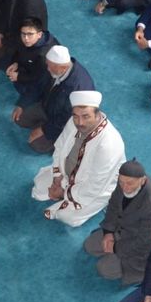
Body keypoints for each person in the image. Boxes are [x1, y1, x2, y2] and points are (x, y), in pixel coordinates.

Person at [31, 91, 126, 227]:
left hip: (96, 187)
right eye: (76, 116)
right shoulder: (73, 121)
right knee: (39, 188)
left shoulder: (109, 144)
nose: (80, 122)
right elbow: (59, 147)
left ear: (98, 114)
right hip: (67, 175)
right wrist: (57, 177)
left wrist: (64, 193)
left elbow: (95, 185)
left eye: (86, 116)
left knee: (67, 217)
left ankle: (103, 202)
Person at [85, 159, 151, 285]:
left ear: (143, 180)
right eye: (121, 182)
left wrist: (115, 247)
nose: (125, 187)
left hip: (140, 246)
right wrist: (108, 232)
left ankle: (145, 271)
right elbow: (113, 205)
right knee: (89, 246)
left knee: (104, 269)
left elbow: (143, 242)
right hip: (122, 229)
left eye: (129, 184)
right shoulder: (126, 180)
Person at [15, 45, 94, 154]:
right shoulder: (53, 67)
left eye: (49, 66)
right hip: (49, 107)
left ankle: (65, 143)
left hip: (66, 123)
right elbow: (37, 86)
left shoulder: (78, 89)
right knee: (19, 118)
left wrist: (44, 130)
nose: (47, 68)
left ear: (63, 68)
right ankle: (45, 123)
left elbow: (67, 118)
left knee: (36, 145)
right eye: (47, 64)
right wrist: (22, 104)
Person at [3, 15, 57, 107]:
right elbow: (18, 51)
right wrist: (15, 62)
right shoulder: (29, 40)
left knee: (26, 90)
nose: (26, 38)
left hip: (45, 78)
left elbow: (39, 76)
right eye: (23, 34)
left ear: (39, 34)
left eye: (30, 34)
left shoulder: (44, 55)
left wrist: (18, 76)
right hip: (31, 63)